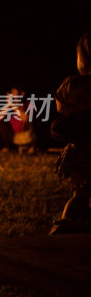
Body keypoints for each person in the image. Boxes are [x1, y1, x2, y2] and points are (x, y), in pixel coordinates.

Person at [50, 30, 91, 233]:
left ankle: (64, 228)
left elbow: (61, 105)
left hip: (83, 153)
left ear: (82, 59)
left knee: (80, 197)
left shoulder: (75, 85)